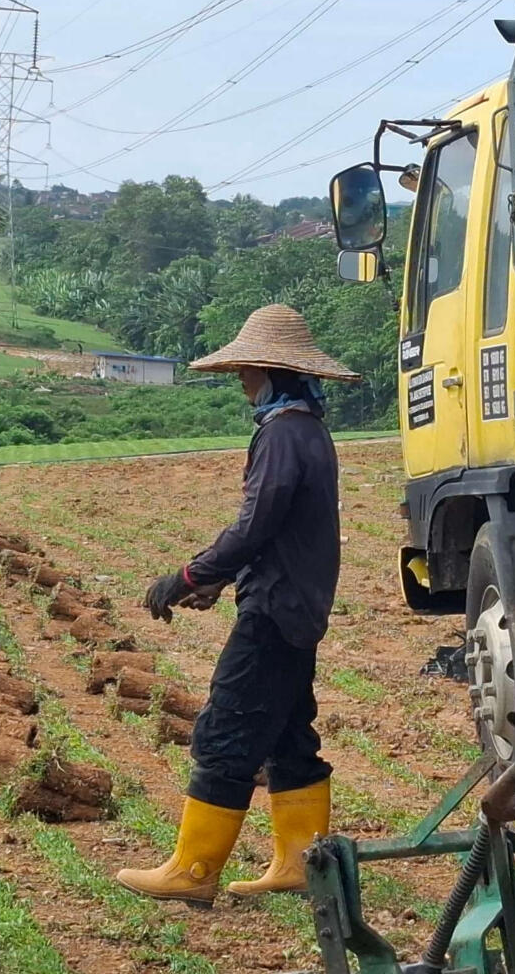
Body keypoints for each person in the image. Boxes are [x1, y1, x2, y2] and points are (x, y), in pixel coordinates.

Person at [117, 304, 359, 905]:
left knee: (227, 730)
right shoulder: (307, 429)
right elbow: (274, 533)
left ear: (273, 372)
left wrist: (190, 573)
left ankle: (194, 870)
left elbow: (254, 526)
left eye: (247, 371)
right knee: (287, 736)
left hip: (274, 611)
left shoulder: (281, 434)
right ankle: (302, 864)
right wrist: (222, 581)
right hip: (297, 605)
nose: (242, 382)